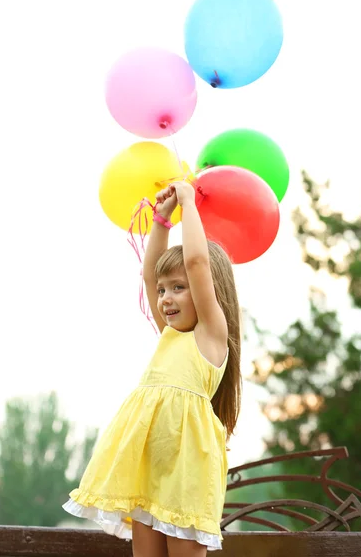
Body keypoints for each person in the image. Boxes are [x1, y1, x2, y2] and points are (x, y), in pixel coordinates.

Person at [63, 180, 242, 556]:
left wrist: (189, 203)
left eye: (178, 287)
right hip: (148, 469)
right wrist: (161, 220)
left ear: (207, 290)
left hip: (186, 475)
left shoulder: (211, 335)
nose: (165, 298)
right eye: (163, 291)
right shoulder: (169, 335)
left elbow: (196, 262)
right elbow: (149, 274)